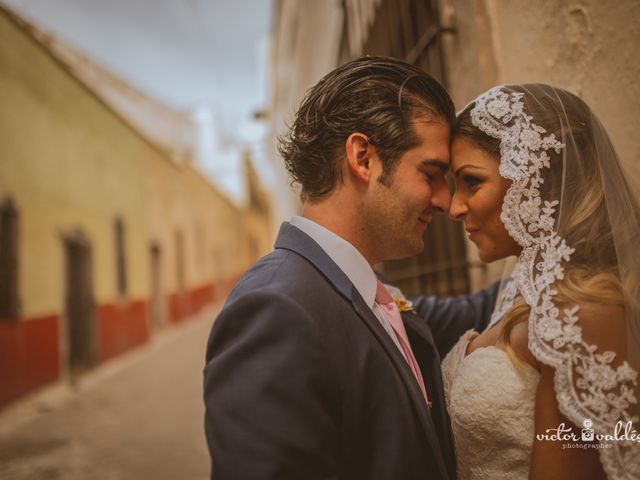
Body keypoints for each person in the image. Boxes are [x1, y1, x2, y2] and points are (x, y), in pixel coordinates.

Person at [203, 56, 498, 480]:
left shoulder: (358, 288)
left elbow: (476, 312)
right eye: (431, 173)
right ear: (363, 158)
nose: (444, 200)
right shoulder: (276, 308)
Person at [443, 83, 640, 479]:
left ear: (537, 180)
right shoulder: (522, 291)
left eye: (472, 182)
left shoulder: (584, 315)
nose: (454, 207)